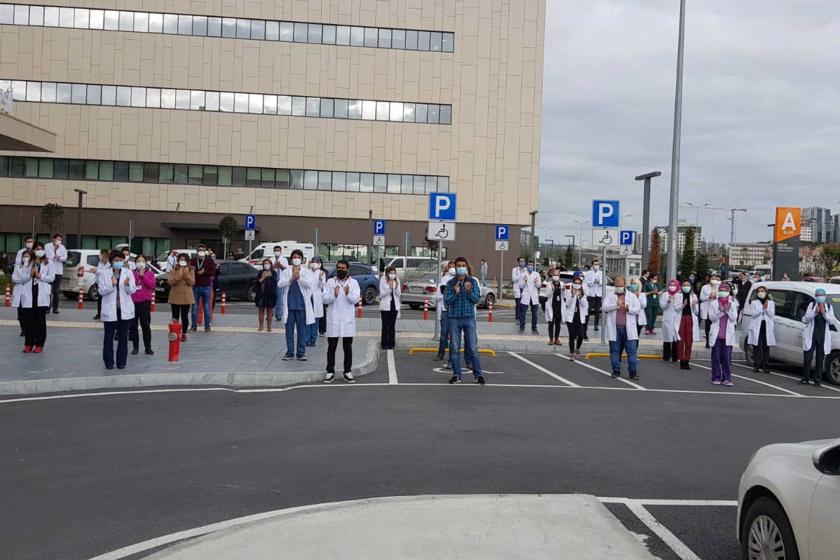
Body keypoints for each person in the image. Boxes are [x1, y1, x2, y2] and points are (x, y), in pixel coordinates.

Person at [444, 257, 485, 384]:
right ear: (455, 267)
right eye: (459, 266)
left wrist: (468, 291)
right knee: (455, 348)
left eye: (463, 265)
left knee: (473, 348)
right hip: (454, 319)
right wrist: (456, 293)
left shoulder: (472, 281)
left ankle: (478, 375)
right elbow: (447, 301)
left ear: (466, 267)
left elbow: (476, 299)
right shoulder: (451, 283)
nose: (461, 268)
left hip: (469, 318)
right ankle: (457, 375)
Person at [322, 259, 360, 383]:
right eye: (339, 268)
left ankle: (347, 371)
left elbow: (355, 300)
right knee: (331, 347)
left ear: (347, 269)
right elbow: (325, 300)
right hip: (333, 320)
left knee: (347, 347)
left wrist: (348, 293)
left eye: (343, 268)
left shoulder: (353, 283)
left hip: (347, 321)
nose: (340, 270)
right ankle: (330, 371)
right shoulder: (330, 282)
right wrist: (334, 294)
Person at [98, 250, 137, 370]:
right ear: (111, 261)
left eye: (121, 260)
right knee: (108, 337)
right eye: (116, 260)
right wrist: (112, 285)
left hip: (124, 310)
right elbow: (101, 291)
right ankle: (109, 362)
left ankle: (121, 362)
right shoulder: (104, 273)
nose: (118, 262)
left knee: (123, 337)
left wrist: (126, 285)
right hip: (110, 310)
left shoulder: (128, 273)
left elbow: (133, 290)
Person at [13, 244, 54, 352]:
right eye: (37, 249)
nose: (39, 251)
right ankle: (28, 344)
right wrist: (29, 275)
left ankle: (39, 344)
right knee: (29, 321)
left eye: (41, 249)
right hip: (29, 294)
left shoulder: (48, 263)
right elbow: (22, 277)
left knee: (40, 321)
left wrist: (41, 276)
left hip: (42, 294)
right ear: (34, 251)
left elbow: (52, 278)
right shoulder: (28, 263)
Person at [277, 249, 316, 361]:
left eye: (299, 257)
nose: (296, 259)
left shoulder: (306, 272)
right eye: (294, 257)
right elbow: (280, 284)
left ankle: (301, 353)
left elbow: (309, 284)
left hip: (302, 306)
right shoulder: (286, 271)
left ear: (302, 259)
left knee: (302, 330)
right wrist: (291, 279)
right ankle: (290, 352)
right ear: (291, 258)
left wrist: (299, 277)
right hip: (289, 306)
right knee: (289, 331)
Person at [602, 276, 641, 380]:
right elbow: (604, 307)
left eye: (620, 285)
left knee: (631, 352)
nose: (618, 287)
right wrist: (616, 305)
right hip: (615, 329)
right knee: (614, 351)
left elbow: (637, 309)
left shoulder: (631, 296)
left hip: (629, 330)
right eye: (616, 286)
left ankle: (633, 372)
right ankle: (616, 371)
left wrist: (628, 308)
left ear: (624, 285)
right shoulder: (610, 296)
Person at [800, 288, 839, 386]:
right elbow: (806, 318)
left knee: (819, 359)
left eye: (821, 295)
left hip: (822, 337)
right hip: (811, 336)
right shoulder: (811, 305)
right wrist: (815, 313)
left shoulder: (829, 307)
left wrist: (824, 313)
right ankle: (806, 378)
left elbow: (831, 321)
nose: (820, 297)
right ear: (815, 296)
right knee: (807, 358)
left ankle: (817, 380)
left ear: (824, 296)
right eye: (818, 295)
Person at [708, 282, 738, 386]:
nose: (722, 292)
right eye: (720, 290)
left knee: (726, 358)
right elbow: (711, 318)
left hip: (727, 335)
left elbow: (734, 318)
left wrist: (727, 311)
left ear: (729, 291)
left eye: (724, 290)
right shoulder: (713, 303)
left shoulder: (733, 303)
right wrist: (721, 311)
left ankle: (727, 378)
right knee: (715, 357)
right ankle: (716, 377)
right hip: (716, 335)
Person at [130, 255, 155, 356]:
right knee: (133, 326)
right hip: (133, 302)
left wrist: (143, 276)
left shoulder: (149, 273)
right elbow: (131, 285)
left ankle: (148, 347)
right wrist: (137, 276)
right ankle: (135, 347)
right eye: (138, 261)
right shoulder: (131, 273)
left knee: (145, 325)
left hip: (145, 302)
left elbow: (152, 285)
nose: (140, 263)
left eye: (142, 261)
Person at [168, 253, 195, 342]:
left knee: (184, 316)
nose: (182, 261)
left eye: (184, 260)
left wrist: (186, 274)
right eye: (181, 260)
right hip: (175, 295)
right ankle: (174, 332)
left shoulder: (191, 270)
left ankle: (184, 333)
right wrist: (179, 274)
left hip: (186, 296)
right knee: (175, 316)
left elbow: (192, 283)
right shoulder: (173, 270)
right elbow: (171, 282)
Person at [748, 286, 775, 373]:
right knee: (757, 345)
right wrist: (762, 308)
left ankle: (765, 365)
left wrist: (766, 308)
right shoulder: (754, 302)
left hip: (766, 325)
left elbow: (771, 314)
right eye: (759, 291)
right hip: (757, 325)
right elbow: (753, 314)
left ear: (766, 292)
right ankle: (757, 365)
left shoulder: (770, 302)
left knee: (766, 345)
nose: (760, 293)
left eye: (762, 291)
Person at [675, 279, 701, 370]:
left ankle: (687, 361)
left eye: (688, 285)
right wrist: (683, 305)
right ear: (682, 287)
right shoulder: (678, 296)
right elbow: (676, 309)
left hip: (690, 319)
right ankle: (682, 361)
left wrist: (694, 305)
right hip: (681, 319)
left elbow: (697, 312)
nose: (686, 287)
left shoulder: (694, 296)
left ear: (690, 287)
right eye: (684, 285)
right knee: (681, 341)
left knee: (689, 341)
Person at [190, 244, 215, 332]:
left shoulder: (209, 260)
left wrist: (205, 272)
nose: (201, 252)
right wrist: (194, 271)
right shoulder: (193, 261)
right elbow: (190, 272)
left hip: (206, 286)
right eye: (199, 250)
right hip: (195, 286)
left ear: (205, 251)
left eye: (203, 250)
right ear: (197, 251)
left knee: (207, 307)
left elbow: (213, 272)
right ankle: (193, 326)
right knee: (194, 308)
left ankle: (207, 327)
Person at [434, 261, 455, 361]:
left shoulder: (459, 279)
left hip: (456, 311)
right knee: (444, 333)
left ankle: (452, 356)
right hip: (445, 310)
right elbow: (443, 291)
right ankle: (440, 353)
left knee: (454, 334)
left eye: (453, 266)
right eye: (450, 267)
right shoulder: (445, 278)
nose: (452, 268)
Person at [13, 236, 35, 335]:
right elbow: (14, 278)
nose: (25, 258)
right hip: (19, 290)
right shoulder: (18, 265)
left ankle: (28, 328)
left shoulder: (32, 266)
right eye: (24, 256)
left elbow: (30, 277)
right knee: (20, 311)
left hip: (29, 290)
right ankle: (23, 328)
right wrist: (23, 279)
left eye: (27, 256)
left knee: (28, 311)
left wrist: (22, 279)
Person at [564, 275, 588, 359]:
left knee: (581, 335)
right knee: (572, 335)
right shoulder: (568, 290)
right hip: (571, 317)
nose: (577, 284)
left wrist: (580, 296)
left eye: (579, 283)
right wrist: (572, 295)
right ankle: (571, 352)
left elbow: (585, 305)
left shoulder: (583, 292)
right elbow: (567, 304)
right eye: (576, 283)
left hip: (580, 317)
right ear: (573, 283)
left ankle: (577, 349)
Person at [659, 279, 682, 363]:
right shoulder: (665, 294)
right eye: (670, 285)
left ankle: (675, 357)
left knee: (676, 338)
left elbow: (680, 308)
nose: (672, 287)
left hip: (677, 318)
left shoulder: (679, 295)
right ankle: (666, 356)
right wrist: (668, 302)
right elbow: (662, 306)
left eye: (674, 285)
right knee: (667, 338)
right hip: (667, 318)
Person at [379, 266, 401, 350]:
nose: (392, 275)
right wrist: (390, 288)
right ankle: (384, 343)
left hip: (394, 306)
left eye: (394, 273)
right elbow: (381, 294)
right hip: (385, 306)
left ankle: (391, 343)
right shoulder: (383, 280)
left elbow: (399, 294)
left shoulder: (396, 280)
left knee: (392, 326)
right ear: (387, 273)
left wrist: (395, 287)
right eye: (391, 273)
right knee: (385, 325)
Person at [307, 256, 327, 346]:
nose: (314, 263)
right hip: (308, 297)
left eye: (316, 262)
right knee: (307, 320)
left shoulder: (322, 273)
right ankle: (306, 339)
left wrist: (319, 278)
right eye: (313, 261)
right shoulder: (307, 272)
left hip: (317, 298)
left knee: (315, 320)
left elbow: (322, 286)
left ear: (319, 264)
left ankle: (313, 340)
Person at [45, 233, 67, 314]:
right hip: (49, 271)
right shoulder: (47, 246)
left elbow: (64, 258)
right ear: (53, 239)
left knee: (56, 291)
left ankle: (55, 308)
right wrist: (54, 253)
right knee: (48, 290)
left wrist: (59, 257)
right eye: (58, 239)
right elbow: (47, 257)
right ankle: (47, 307)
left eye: (60, 240)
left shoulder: (62, 247)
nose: (59, 241)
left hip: (58, 271)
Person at [517, 262, 541, 334]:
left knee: (535, 314)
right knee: (523, 313)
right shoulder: (523, 274)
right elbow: (520, 286)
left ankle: (534, 329)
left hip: (534, 296)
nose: (530, 266)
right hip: (526, 295)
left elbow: (539, 285)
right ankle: (522, 327)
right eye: (529, 265)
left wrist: (536, 282)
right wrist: (525, 281)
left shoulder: (536, 274)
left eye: (532, 265)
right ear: (527, 266)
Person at [254, 258, 277, 332]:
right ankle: (261, 325)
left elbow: (275, 283)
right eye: (265, 264)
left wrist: (270, 277)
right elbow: (257, 282)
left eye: (268, 263)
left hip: (270, 295)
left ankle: (269, 326)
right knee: (261, 310)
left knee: (270, 311)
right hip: (261, 294)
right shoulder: (260, 272)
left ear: (270, 265)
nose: (266, 265)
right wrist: (263, 278)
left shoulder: (274, 272)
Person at [699, 273, 720, 348]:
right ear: (709, 279)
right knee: (708, 326)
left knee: (715, 326)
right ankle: (707, 341)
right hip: (707, 309)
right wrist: (708, 297)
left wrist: (716, 297)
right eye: (712, 278)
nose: (713, 280)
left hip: (716, 309)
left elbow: (721, 296)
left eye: (715, 278)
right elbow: (701, 298)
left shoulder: (718, 287)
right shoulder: (705, 287)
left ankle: (714, 341)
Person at [584, 259, 604, 334]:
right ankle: (586, 324)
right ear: (592, 265)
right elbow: (586, 282)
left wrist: (599, 282)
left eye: (598, 264)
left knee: (597, 310)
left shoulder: (601, 273)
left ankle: (596, 325)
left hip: (598, 294)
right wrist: (593, 282)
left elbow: (604, 282)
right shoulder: (589, 273)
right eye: (595, 264)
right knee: (588, 309)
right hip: (591, 294)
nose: (596, 266)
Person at [92, 249, 111, 320]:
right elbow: (99, 272)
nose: (100, 256)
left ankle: (106, 313)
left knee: (106, 300)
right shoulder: (100, 263)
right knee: (100, 300)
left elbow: (105, 272)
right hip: (99, 283)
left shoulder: (110, 264)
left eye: (101, 255)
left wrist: (97, 271)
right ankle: (99, 313)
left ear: (105, 255)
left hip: (106, 284)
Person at [546, 269, 564, 345]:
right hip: (551, 304)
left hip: (559, 305)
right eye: (554, 275)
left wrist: (563, 290)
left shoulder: (562, 284)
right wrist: (552, 290)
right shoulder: (549, 284)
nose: (556, 276)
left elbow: (564, 295)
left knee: (558, 323)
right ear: (552, 276)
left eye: (557, 275)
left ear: (559, 275)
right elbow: (548, 295)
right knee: (551, 322)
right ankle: (551, 339)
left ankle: (556, 339)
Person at [272, 245, 289, 323]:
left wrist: (280, 266)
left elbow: (287, 269)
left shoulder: (284, 259)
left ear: (280, 251)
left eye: (278, 250)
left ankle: (278, 315)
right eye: (275, 250)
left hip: (280, 280)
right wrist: (274, 266)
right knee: (271, 297)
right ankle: (270, 313)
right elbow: (268, 269)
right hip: (272, 280)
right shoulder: (271, 259)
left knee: (279, 298)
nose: (277, 252)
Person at [512, 257, 527, 330]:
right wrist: (521, 275)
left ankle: (522, 319)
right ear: (518, 262)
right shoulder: (515, 270)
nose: (522, 262)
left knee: (523, 306)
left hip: (524, 289)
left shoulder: (526, 270)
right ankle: (517, 318)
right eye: (521, 261)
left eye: (523, 261)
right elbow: (514, 279)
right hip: (517, 289)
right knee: (518, 305)